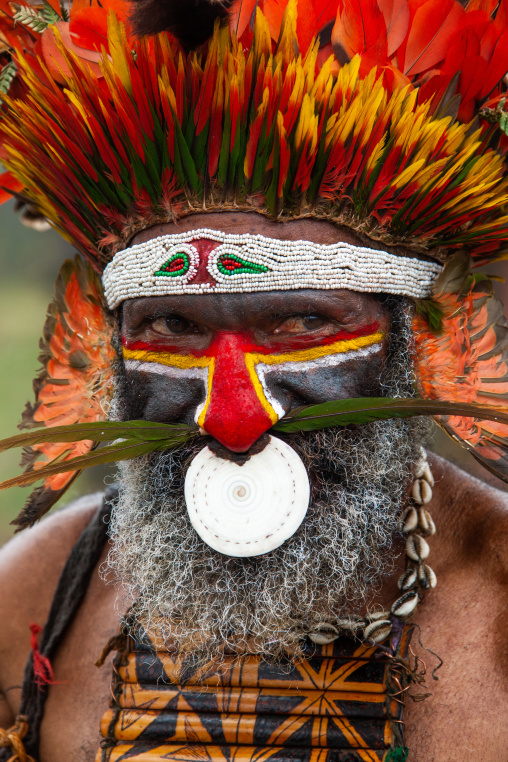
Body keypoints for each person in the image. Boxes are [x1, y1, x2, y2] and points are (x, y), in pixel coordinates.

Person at [0, 1, 507, 760]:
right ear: (110, 351)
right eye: (173, 329)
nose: (233, 416)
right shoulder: (33, 599)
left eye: (302, 325)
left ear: (411, 344)